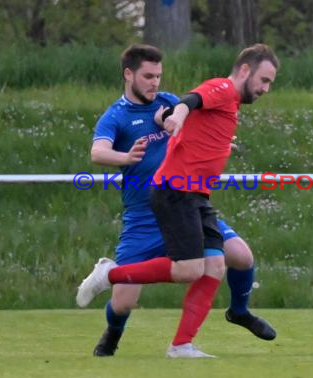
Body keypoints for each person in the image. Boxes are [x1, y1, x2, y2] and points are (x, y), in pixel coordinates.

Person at [80, 44, 276, 358]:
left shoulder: (167, 101)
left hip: (190, 198)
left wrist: (216, 140)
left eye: (158, 75)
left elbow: (185, 114)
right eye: (147, 76)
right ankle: (111, 334)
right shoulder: (115, 116)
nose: (154, 82)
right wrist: (125, 156)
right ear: (128, 75)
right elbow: (97, 152)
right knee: (124, 301)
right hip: (149, 211)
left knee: (233, 257)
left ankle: (226, 319)